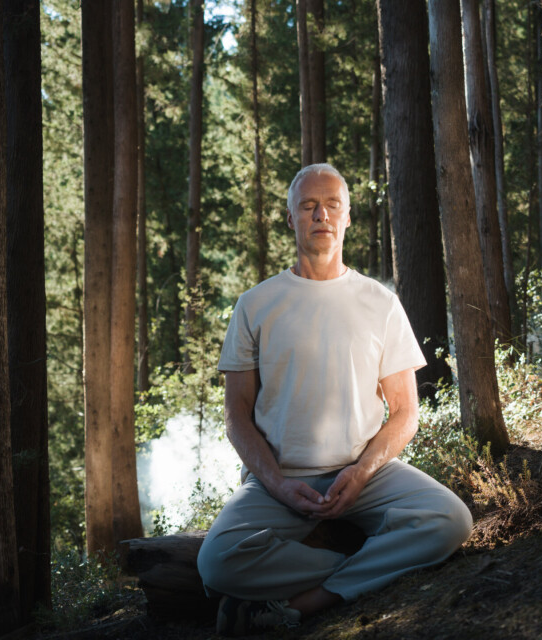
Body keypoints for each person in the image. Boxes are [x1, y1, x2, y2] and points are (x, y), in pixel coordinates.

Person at [197, 163, 472, 637]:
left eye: (332, 206)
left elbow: (406, 412)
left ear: (347, 218)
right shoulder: (256, 304)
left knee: (452, 520)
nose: (320, 214)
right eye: (308, 206)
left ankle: (304, 604)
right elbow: (237, 417)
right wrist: (279, 485)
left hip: (367, 474)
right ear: (291, 219)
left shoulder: (379, 302)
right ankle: (366, 562)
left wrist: (362, 471)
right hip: (279, 482)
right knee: (217, 563)